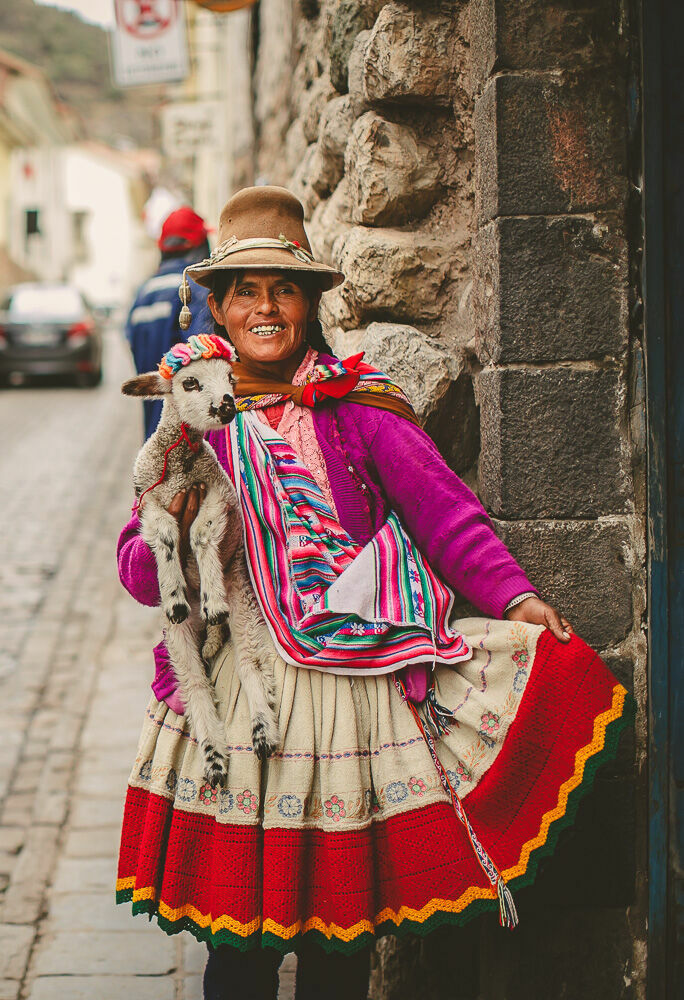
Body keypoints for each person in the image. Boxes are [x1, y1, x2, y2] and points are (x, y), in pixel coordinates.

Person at [112, 187, 630, 999]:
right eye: (244, 291)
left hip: (347, 694)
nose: (265, 307)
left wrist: (519, 599)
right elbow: (141, 574)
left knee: (338, 938)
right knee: (237, 945)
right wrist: (171, 530)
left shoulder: (359, 409)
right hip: (241, 684)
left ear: (311, 304)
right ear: (215, 307)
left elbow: (447, 518)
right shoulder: (194, 420)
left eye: (283, 289)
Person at [126, 205, 213, 439]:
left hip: (155, 434)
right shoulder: (195, 290)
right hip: (191, 438)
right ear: (198, 245)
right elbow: (205, 359)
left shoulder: (142, 295)